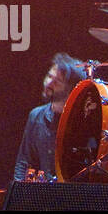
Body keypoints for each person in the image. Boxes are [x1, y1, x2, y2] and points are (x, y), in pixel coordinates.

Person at [13, 53, 85, 181]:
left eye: (57, 81)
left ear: (71, 89)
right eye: (49, 76)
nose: (48, 83)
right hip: (45, 196)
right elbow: (23, 162)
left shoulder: (82, 121)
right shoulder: (36, 115)